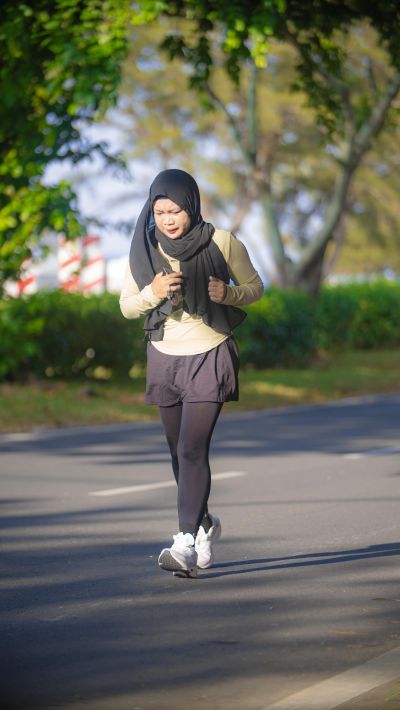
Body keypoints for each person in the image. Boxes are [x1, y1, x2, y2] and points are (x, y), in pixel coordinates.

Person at [120, 168, 264, 578]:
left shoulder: (222, 241)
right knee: (177, 452)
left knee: (191, 449)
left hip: (210, 353)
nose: (167, 220)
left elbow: (255, 287)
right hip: (164, 357)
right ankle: (203, 525)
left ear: (192, 205)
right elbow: (127, 306)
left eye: (176, 211)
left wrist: (228, 293)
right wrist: (154, 292)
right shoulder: (145, 249)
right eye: (160, 212)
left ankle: (183, 543)